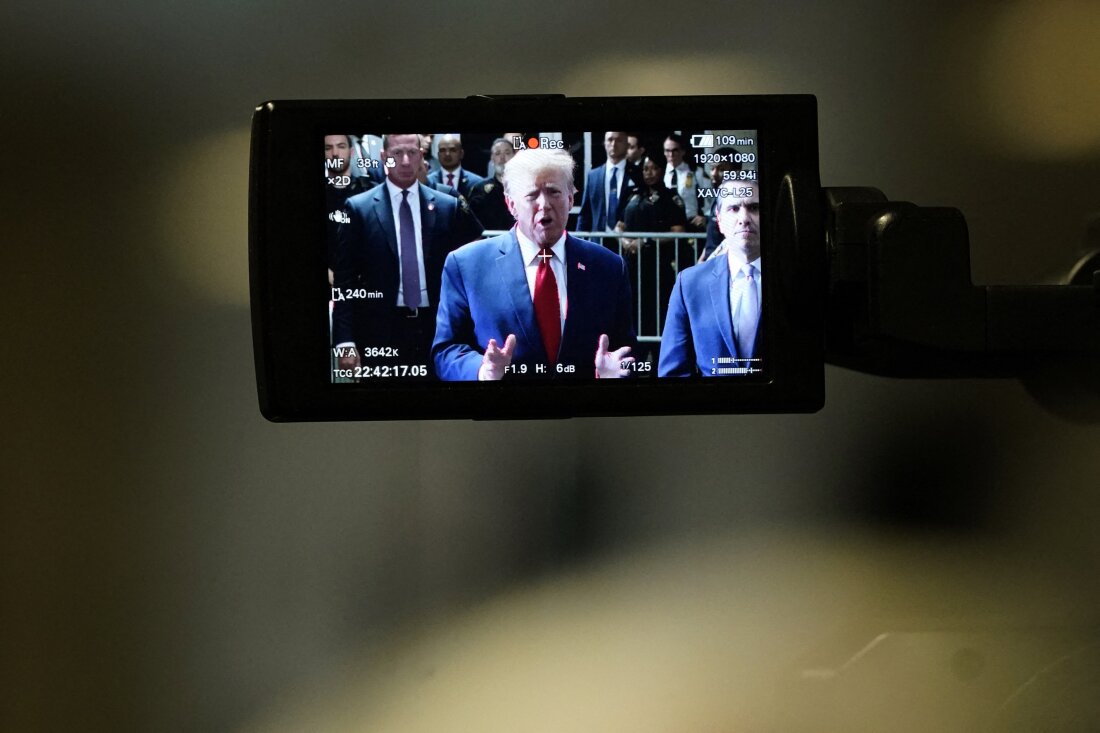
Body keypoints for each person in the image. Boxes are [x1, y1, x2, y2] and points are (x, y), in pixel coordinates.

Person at [432, 147, 637, 381]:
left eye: (553, 192)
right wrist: (483, 370)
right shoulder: (467, 265)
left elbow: (626, 351)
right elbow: (446, 351)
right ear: (511, 205)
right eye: (532, 195)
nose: (544, 204)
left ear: (570, 199)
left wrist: (615, 373)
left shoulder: (608, 267)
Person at [332, 133, 484, 377]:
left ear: (422, 157)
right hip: (379, 330)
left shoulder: (448, 206)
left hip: (439, 329)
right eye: (396, 154)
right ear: (383, 158)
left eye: (412, 153)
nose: (404, 161)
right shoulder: (359, 208)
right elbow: (345, 279)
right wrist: (344, 342)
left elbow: (474, 270)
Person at [658, 180, 761, 376]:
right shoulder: (689, 283)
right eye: (734, 208)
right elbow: (673, 373)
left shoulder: (795, 277)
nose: (744, 218)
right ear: (719, 220)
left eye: (754, 207)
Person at [622, 155, 687, 341]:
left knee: (658, 312)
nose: (648, 173)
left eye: (653, 168)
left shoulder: (671, 197)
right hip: (633, 264)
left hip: (659, 266)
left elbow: (678, 231)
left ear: (662, 170)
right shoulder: (631, 194)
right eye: (645, 169)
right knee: (633, 311)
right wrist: (627, 242)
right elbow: (619, 226)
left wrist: (646, 241)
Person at [324, 134, 375, 283]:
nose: (335, 153)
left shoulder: (369, 191)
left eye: (341, 146)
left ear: (351, 152)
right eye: (328, 148)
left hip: (366, 283)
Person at [576, 131, 641, 246]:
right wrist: (578, 244)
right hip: (599, 243)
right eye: (610, 140)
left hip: (627, 244)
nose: (614, 144)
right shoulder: (593, 175)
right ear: (604, 143)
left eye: (619, 140)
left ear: (626, 145)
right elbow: (585, 214)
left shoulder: (637, 174)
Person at [466, 137, 516, 232]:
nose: (502, 158)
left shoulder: (525, 188)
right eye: (497, 153)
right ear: (492, 159)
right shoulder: (480, 190)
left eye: (507, 153)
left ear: (514, 156)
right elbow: (471, 223)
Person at [663, 133, 706, 235]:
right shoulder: (661, 173)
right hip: (668, 226)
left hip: (691, 224)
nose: (671, 155)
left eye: (675, 150)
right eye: (667, 151)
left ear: (682, 151)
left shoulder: (696, 172)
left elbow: (710, 197)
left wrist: (706, 217)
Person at [428, 134, 485, 198]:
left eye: (452, 150)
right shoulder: (428, 181)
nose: (447, 154)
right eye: (443, 150)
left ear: (461, 154)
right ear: (438, 155)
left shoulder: (477, 182)